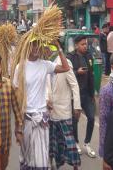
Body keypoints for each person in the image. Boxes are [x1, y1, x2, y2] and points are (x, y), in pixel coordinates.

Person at [13, 39, 70, 169]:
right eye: (33, 44)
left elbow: (66, 68)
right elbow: (16, 97)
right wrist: (18, 126)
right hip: (27, 117)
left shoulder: (46, 65)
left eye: (39, 44)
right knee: (27, 156)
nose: (36, 47)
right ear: (28, 46)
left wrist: (59, 48)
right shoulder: (20, 67)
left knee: (41, 156)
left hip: (42, 118)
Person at [46, 45, 82, 170]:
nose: (45, 50)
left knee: (69, 143)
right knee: (52, 143)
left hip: (63, 111)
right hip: (49, 113)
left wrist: (77, 106)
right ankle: (51, 165)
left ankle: (75, 166)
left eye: (47, 47)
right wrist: (46, 100)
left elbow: (74, 85)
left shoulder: (64, 62)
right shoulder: (43, 64)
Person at [67, 35, 96, 157]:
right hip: (75, 95)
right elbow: (67, 73)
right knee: (75, 120)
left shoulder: (89, 55)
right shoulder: (70, 57)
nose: (85, 46)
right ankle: (76, 142)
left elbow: (91, 75)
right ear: (76, 45)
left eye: (86, 44)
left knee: (91, 118)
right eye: (82, 44)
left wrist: (93, 92)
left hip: (86, 94)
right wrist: (76, 72)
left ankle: (87, 143)